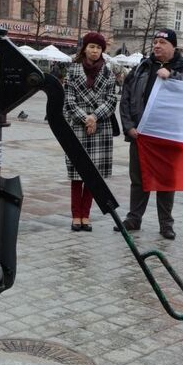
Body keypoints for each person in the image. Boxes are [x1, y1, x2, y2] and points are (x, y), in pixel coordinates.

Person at [117, 29, 183, 240]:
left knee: (166, 181)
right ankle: (134, 218)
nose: (156, 46)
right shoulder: (141, 68)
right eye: (155, 42)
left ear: (173, 47)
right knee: (138, 179)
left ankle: (166, 224)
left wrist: (172, 77)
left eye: (162, 42)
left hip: (168, 137)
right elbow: (125, 98)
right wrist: (128, 127)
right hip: (140, 135)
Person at [62, 32, 117, 232]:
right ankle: (76, 215)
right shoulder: (72, 71)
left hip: (100, 127)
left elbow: (111, 100)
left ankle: (86, 215)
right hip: (78, 126)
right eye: (91, 47)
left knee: (94, 176)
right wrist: (86, 118)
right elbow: (68, 102)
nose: (95, 51)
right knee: (77, 175)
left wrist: (94, 117)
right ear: (84, 48)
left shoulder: (108, 73)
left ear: (102, 50)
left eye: (99, 48)